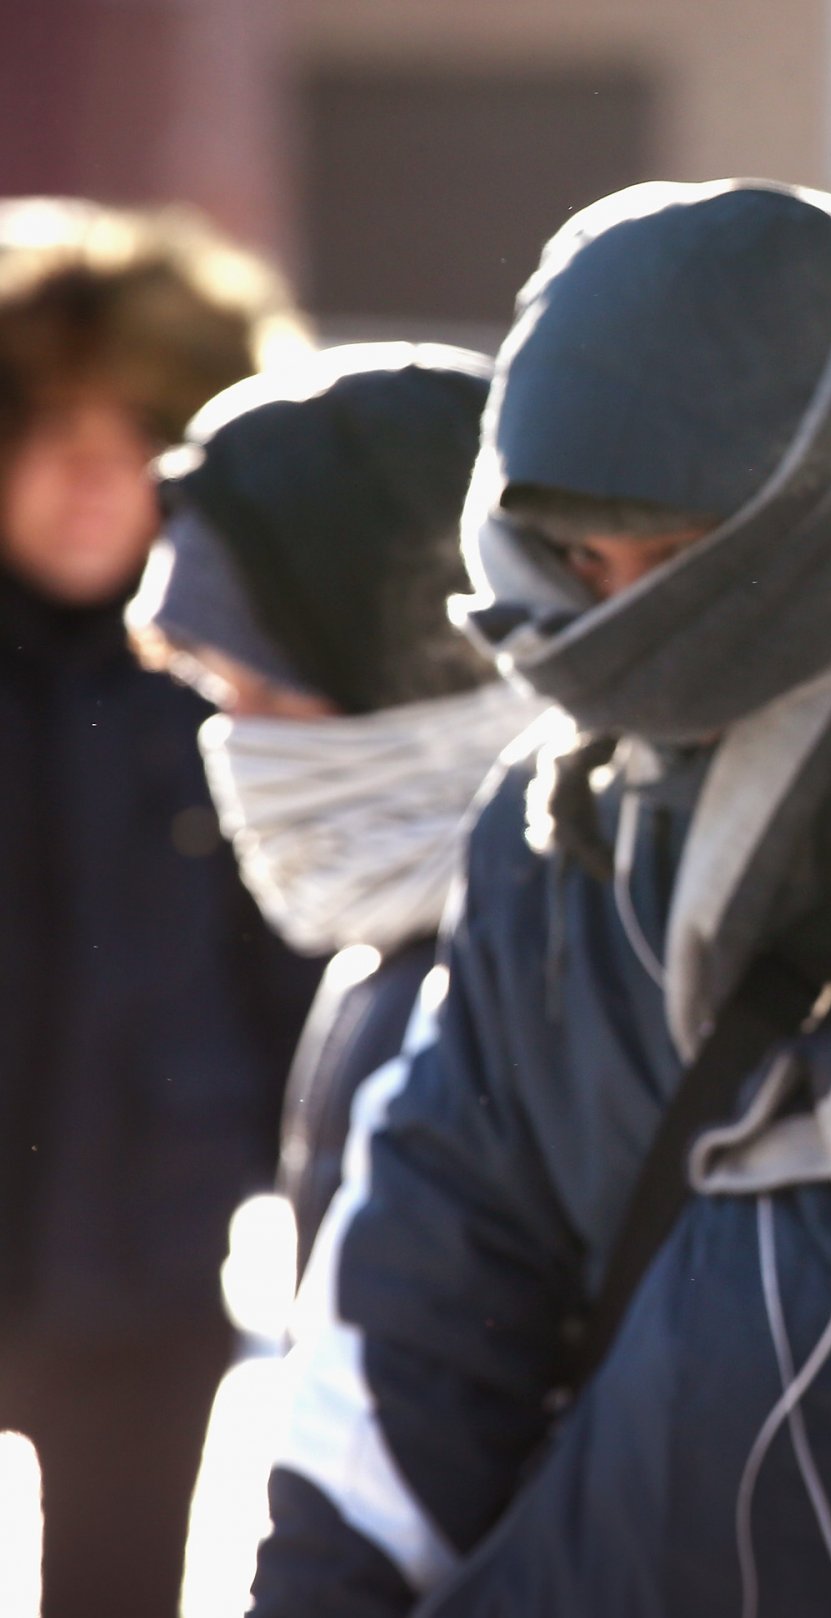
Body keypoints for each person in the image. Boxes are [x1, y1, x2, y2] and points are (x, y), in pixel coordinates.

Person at [250, 179, 831, 1618]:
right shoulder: (559, 827)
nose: (614, 630)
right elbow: (423, 1306)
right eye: (573, 563)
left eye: (678, 563)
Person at [0, 197, 319, 1616]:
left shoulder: (247, 683)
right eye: (50, 426)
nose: (87, 473)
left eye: (133, 434)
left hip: (151, 1251)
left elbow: (312, 972)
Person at [131, 342, 543, 1264]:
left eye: (272, 690)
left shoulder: (546, 979)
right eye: (215, 691)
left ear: (422, 670)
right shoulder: (399, 947)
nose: (238, 739)